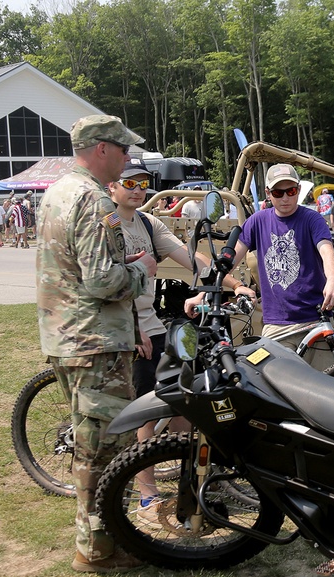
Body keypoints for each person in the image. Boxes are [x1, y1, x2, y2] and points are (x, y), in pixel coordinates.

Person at [36, 114, 156, 574]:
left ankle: (97, 542)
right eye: (124, 149)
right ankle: (100, 549)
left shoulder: (59, 192)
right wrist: (143, 268)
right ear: (101, 148)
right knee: (106, 449)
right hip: (95, 341)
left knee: (93, 444)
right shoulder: (90, 198)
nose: (129, 158)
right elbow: (104, 280)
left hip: (68, 335)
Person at [108, 160, 255, 516]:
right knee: (146, 408)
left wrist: (235, 285)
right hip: (123, 325)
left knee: (184, 400)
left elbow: (193, 259)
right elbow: (106, 282)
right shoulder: (108, 225)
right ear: (112, 187)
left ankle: (190, 485)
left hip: (151, 324)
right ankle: (147, 495)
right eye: (129, 183)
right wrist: (133, 328)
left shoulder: (147, 222)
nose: (138, 189)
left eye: (143, 182)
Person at [186, 163, 334, 363]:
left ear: (299, 190)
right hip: (276, 323)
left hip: (315, 318)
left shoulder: (312, 219)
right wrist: (202, 294)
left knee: (325, 386)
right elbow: (229, 262)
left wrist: (333, 279)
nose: (285, 198)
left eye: (291, 191)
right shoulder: (257, 221)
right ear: (268, 193)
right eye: (278, 192)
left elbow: (326, 250)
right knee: (273, 386)